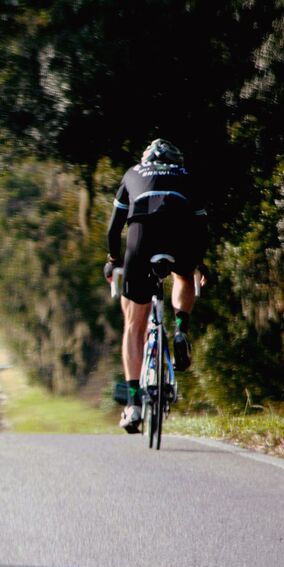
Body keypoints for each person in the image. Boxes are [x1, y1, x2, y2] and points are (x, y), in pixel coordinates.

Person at [103, 138, 208, 433]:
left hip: (141, 237)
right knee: (183, 275)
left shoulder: (132, 173)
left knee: (134, 324)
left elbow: (114, 227)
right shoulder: (187, 176)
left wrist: (113, 260)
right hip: (180, 233)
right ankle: (180, 328)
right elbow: (201, 227)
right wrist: (198, 262)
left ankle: (134, 402)